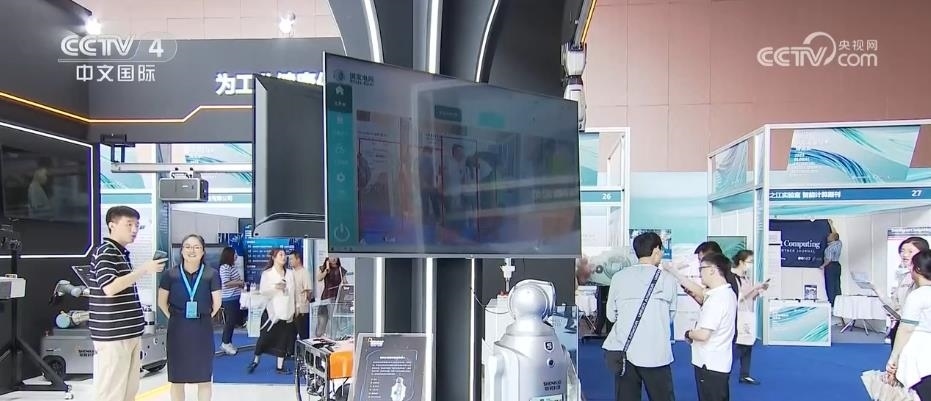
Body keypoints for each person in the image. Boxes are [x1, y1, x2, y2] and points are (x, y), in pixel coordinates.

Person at [89, 206, 166, 401]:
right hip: (114, 334)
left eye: (137, 225)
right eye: (129, 224)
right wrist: (144, 270)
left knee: (129, 391)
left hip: (129, 332)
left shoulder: (121, 253)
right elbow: (110, 288)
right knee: (112, 392)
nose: (134, 230)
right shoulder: (105, 252)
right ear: (112, 225)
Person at [603, 232, 678, 401]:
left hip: (625, 351)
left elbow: (611, 316)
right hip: (656, 353)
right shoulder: (667, 280)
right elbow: (670, 316)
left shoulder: (619, 277)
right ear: (656, 250)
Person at [157, 234, 222, 401]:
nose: (192, 250)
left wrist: (204, 317)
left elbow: (216, 304)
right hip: (177, 329)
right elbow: (161, 302)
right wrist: (174, 317)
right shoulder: (170, 274)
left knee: (204, 377)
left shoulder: (211, 274)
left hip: (202, 329)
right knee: (177, 379)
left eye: (196, 247)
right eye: (187, 246)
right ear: (181, 250)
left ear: (203, 251)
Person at [684, 253, 738, 401]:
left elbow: (703, 335)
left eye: (701, 268)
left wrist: (688, 334)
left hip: (708, 364)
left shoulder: (717, 299)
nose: (699, 273)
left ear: (712, 270)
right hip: (719, 361)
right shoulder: (728, 293)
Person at [887, 249, 931, 400]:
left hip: (920, 351)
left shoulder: (918, 295)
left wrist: (894, 358)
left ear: (917, 269)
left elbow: (906, 329)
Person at [871, 237, 931, 347]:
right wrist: (876, 290)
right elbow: (895, 304)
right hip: (899, 327)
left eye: (910, 251)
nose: (905, 255)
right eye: (902, 251)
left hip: (917, 332)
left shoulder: (925, 281)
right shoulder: (904, 277)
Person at [248, 248, 296, 374]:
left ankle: (280, 367)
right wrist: (276, 287)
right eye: (280, 255)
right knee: (264, 338)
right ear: (274, 257)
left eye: (284, 255)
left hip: (286, 312)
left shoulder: (290, 273)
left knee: (283, 340)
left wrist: (293, 310)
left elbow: (293, 292)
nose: (284, 257)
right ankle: (255, 360)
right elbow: (263, 290)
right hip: (271, 312)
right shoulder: (267, 274)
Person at [731, 250, 768, 385]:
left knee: (748, 344)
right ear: (741, 262)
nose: (751, 265)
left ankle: (745, 374)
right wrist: (754, 287)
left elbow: (749, 297)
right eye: (749, 262)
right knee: (740, 345)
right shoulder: (733, 277)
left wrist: (759, 290)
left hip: (747, 314)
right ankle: (725, 369)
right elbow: (739, 297)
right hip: (738, 315)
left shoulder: (745, 277)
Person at [218, 246, 245, 355]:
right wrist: (239, 283)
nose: (236, 256)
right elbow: (226, 283)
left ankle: (228, 342)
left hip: (235, 297)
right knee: (230, 321)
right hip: (229, 298)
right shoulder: (224, 267)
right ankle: (225, 343)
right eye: (234, 254)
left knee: (233, 321)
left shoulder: (231, 267)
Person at [316, 257, 347, 337]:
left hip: (336, 297)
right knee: (322, 319)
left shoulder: (340, 269)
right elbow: (319, 278)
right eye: (331, 257)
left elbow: (345, 283)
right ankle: (319, 336)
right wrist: (326, 270)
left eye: (335, 257)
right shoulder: (324, 268)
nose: (334, 259)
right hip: (326, 296)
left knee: (334, 320)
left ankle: (333, 337)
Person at [290, 250, 313, 340]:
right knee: (290, 336)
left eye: (292, 259)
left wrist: (304, 303)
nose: (290, 261)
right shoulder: (290, 273)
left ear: (298, 259)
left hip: (302, 310)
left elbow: (309, 291)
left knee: (303, 335)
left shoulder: (304, 272)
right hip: (291, 309)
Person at [821, 232, 843, 306]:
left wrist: (822, 266)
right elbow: (837, 236)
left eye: (829, 236)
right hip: (837, 265)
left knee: (830, 286)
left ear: (833, 238)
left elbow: (829, 259)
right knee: (837, 285)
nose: (827, 237)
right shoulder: (839, 243)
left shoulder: (830, 248)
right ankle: (839, 303)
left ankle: (832, 303)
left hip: (830, 266)